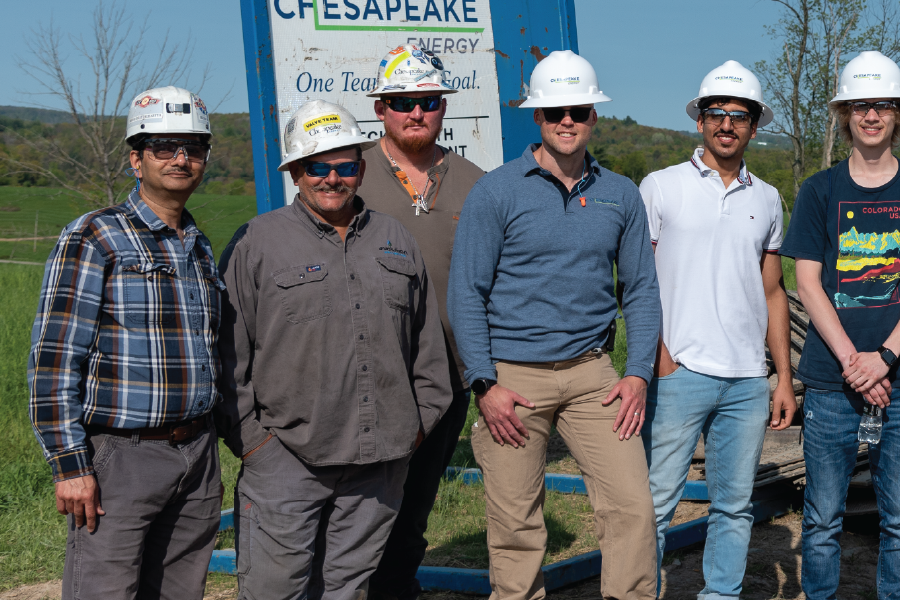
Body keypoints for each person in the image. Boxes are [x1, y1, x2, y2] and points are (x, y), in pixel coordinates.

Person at [218, 99, 453, 600]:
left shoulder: (396, 239)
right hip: (285, 460)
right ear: (296, 173)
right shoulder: (256, 244)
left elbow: (428, 350)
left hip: (379, 463)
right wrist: (256, 446)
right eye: (317, 167)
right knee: (273, 590)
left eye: (345, 166)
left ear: (361, 170)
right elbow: (227, 357)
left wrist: (412, 430)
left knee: (348, 590)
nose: (332, 178)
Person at [449, 50, 662, 600]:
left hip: (594, 377)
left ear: (594, 116)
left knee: (633, 510)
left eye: (579, 109)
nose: (567, 120)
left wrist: (637, 373)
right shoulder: (495, 192)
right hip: (514, 380)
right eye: (554, 111)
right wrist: (484, 383)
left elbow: (639, 290)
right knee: (517, 526)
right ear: (536, 118)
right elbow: (465, 293)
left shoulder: (620, 194)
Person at [29, 85, 223, 600]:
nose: (181, 158)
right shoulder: (95, 236)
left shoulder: (198, 245)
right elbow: (53, 360)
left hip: (196, 453)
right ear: (136, 159)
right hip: (123, 456)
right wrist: (70, 466)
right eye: (164, 146)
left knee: (181, 591)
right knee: (105, 590)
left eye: (194, 147)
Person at [780, 50, 900, 600]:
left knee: (899, 519)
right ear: (845, 115)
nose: (871, 115)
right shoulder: (819, 191)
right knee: (823, 517)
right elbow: (807, 284)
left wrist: (885, 359)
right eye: (859, 106)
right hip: (832, 384)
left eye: (882, 105)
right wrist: (855, 361)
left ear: (898, 114)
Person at [637, 60, 797, 600]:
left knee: (734, 505)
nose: (727, 124)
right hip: (678, 373)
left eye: (739, 115)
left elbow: (773, 291)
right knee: (654, 503)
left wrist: (780, 377)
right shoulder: (660, 188)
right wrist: (657, 355)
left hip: (747, 380)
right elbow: (637, 283)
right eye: (717, 114)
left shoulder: (768, 198)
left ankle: (720, 595)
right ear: (700, 121)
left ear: (754, 125)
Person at [359, 44, 490, 600]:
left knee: (415, 505)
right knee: (362, 504)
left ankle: (397, 589)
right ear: (380, 108)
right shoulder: (349, 173)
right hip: (368, 373)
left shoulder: (477, 182)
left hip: (447, 376)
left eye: (428, 101)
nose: (416, 112)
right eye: (402, 102)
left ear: (443, 107)